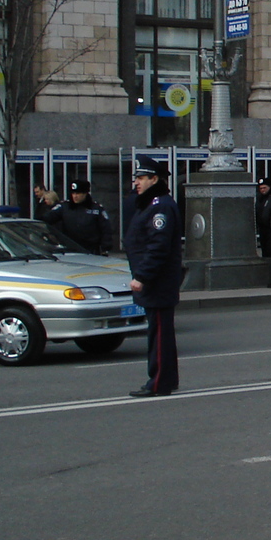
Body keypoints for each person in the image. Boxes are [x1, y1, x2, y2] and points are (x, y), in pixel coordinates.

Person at [124, 156, 182, 398]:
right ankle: (167, 378)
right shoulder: (151, 203)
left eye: (140, 178)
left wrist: (142, 277)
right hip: (157, 280)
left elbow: (158, 246)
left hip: (157, 282)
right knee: (162, 333)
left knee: (158, 335)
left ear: (154, 179)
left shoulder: (160, 206)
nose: (136, 182)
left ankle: (158, 382)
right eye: (136, 178)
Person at [41, 178, 112, 255]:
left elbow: (106, 229)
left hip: (90, 250)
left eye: (78, 193)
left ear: (85, 193)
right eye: (73, 193)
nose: (75, 196)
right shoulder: (65, 207)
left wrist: (105, 248)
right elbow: (47, 219)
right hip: (69, 249)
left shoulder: (96, 209)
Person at [254, 179, 271, 259]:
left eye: (264, 188)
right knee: (264, 248)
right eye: (261, 188)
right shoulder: (260, 198)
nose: (262, 190)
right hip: (262, 227)